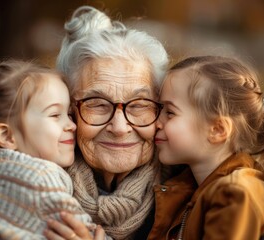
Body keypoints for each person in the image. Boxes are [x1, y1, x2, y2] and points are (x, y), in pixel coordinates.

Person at [44, 5, 169, 240]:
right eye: (97, 104)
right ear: (69, 111)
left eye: (139, 104)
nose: (120, 128)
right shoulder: (25, 188)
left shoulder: (191, 193)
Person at [0, 60, 105, 239]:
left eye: (69, 115)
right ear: (7, 136)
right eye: (55, 115)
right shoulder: (40, 178)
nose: (71, 125)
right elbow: (84, 231)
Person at [148, 55, 264, 239]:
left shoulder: (235, 195)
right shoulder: (192, 187)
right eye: (159, 110)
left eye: (169, 113)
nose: (156, 122)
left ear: (218, 130)